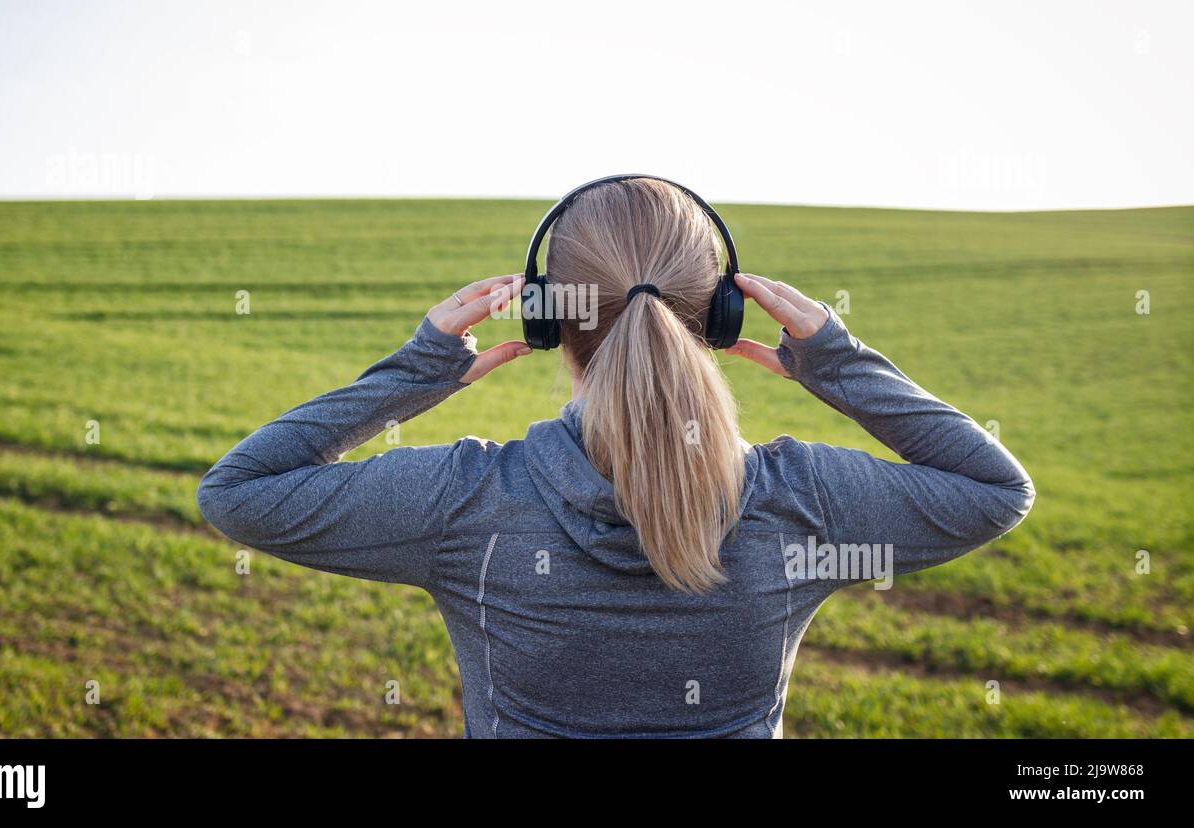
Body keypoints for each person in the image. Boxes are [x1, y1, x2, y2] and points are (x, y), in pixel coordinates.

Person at [197, 176, 1035, 738]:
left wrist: (418, 369)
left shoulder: (465, 504)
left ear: (543, 319)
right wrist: (838, 364)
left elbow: (240, 491)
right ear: (719, 319)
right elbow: (993, 489)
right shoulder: (799, 504)